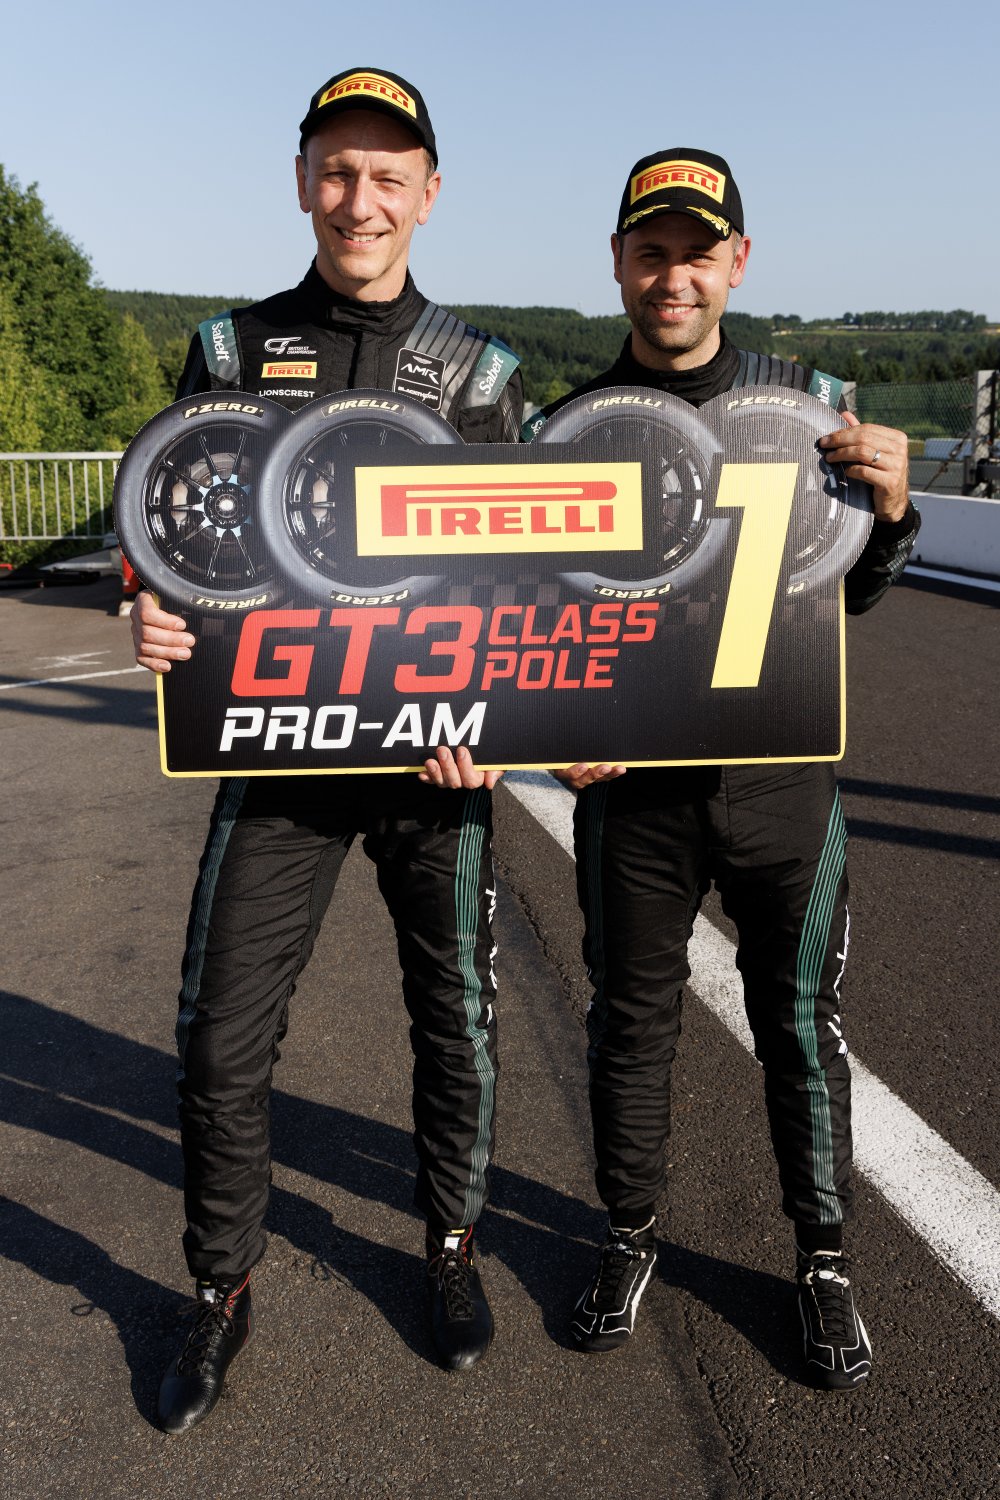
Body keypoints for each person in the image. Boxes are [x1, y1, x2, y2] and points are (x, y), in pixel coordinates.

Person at [130, 67, 523, 1435]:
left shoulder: (481, 372)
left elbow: (520, 583)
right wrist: (151, 611)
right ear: (304, 180)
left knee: (456, 1027)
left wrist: (503, 722)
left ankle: (451, 1246)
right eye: (338, 170)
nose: (361, 200)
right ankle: (220, 1283)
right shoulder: (229, 349)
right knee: (218, 1042)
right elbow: (171, 531)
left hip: (429, 768)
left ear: (428, 193)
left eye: (387, 175)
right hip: (279, 751)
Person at [536, 148, 918, 1390]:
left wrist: (894, 513)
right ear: (616, 262)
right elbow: (526, 618)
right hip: (632, 805)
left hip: (779, 791)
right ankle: (627, 1237)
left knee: (800, 1030)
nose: (673, 277)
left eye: (696, 255)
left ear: (736, 264)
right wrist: (546, 726)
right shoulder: (566, 429)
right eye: (649, 252)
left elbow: (852, 594)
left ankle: (824, 1263)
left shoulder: (807, 412)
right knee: (627, 1028)